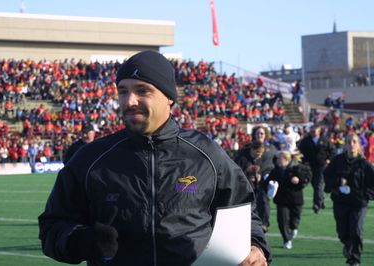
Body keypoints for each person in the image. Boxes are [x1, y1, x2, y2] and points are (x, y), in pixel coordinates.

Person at [38, 50, 271, 266]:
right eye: (123, 91)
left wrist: (255, 245)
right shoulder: (90, 160)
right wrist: (80, 240)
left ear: (168, 97)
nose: (129, 101)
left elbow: (243, 210)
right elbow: (52, 227)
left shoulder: (206, 154)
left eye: (142, 90)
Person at [324, 133, 374, 266]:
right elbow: (327, 176)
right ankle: (347, 245)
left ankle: (355, 260)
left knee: (357, 231)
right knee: (342, 233)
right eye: (348, 142)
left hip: (359, 204)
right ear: (345, 145)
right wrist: (337, 182)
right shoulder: (338, 160)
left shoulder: (364, 163)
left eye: (354, 141)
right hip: (341, 202)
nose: (351, 144)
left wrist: (366, 195)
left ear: (358, 145)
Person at [264, 151, 311, 249]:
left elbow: (306, 178)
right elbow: (266, 183)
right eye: (277, 159)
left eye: (280, 158)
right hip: (281, 200)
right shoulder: (275, 171)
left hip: (296, 200)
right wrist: (269, 185)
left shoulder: (296, 168)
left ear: (286, 160)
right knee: (282, 220)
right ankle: (286, 240)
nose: (277, 160)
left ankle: (294, 228)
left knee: (295, 219)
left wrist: (298, 180)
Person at [235, 126, 276, 233]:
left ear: (266, 134)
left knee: (263, 201)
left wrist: (263, 175)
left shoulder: (271, 149)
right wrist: (248, 173)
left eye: (262, 133)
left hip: (264, 181)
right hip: (247, 182)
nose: (259, 135)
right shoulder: (245, 149)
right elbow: (238, 164)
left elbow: (272, 166)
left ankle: (264, 224)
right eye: (257, 133)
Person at [298, 125, 335, 213]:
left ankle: (317, 204)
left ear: (318, 132)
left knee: (319, 184)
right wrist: (302, 161)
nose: (312, 133)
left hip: (321, 166)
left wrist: (329, 159)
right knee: (314, 185)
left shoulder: (325, 140)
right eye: (311, 131)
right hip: (309, 166)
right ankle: (321, 200)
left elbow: (332, 150)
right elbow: (300, 151)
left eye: (314, 132)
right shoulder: (306, 141)